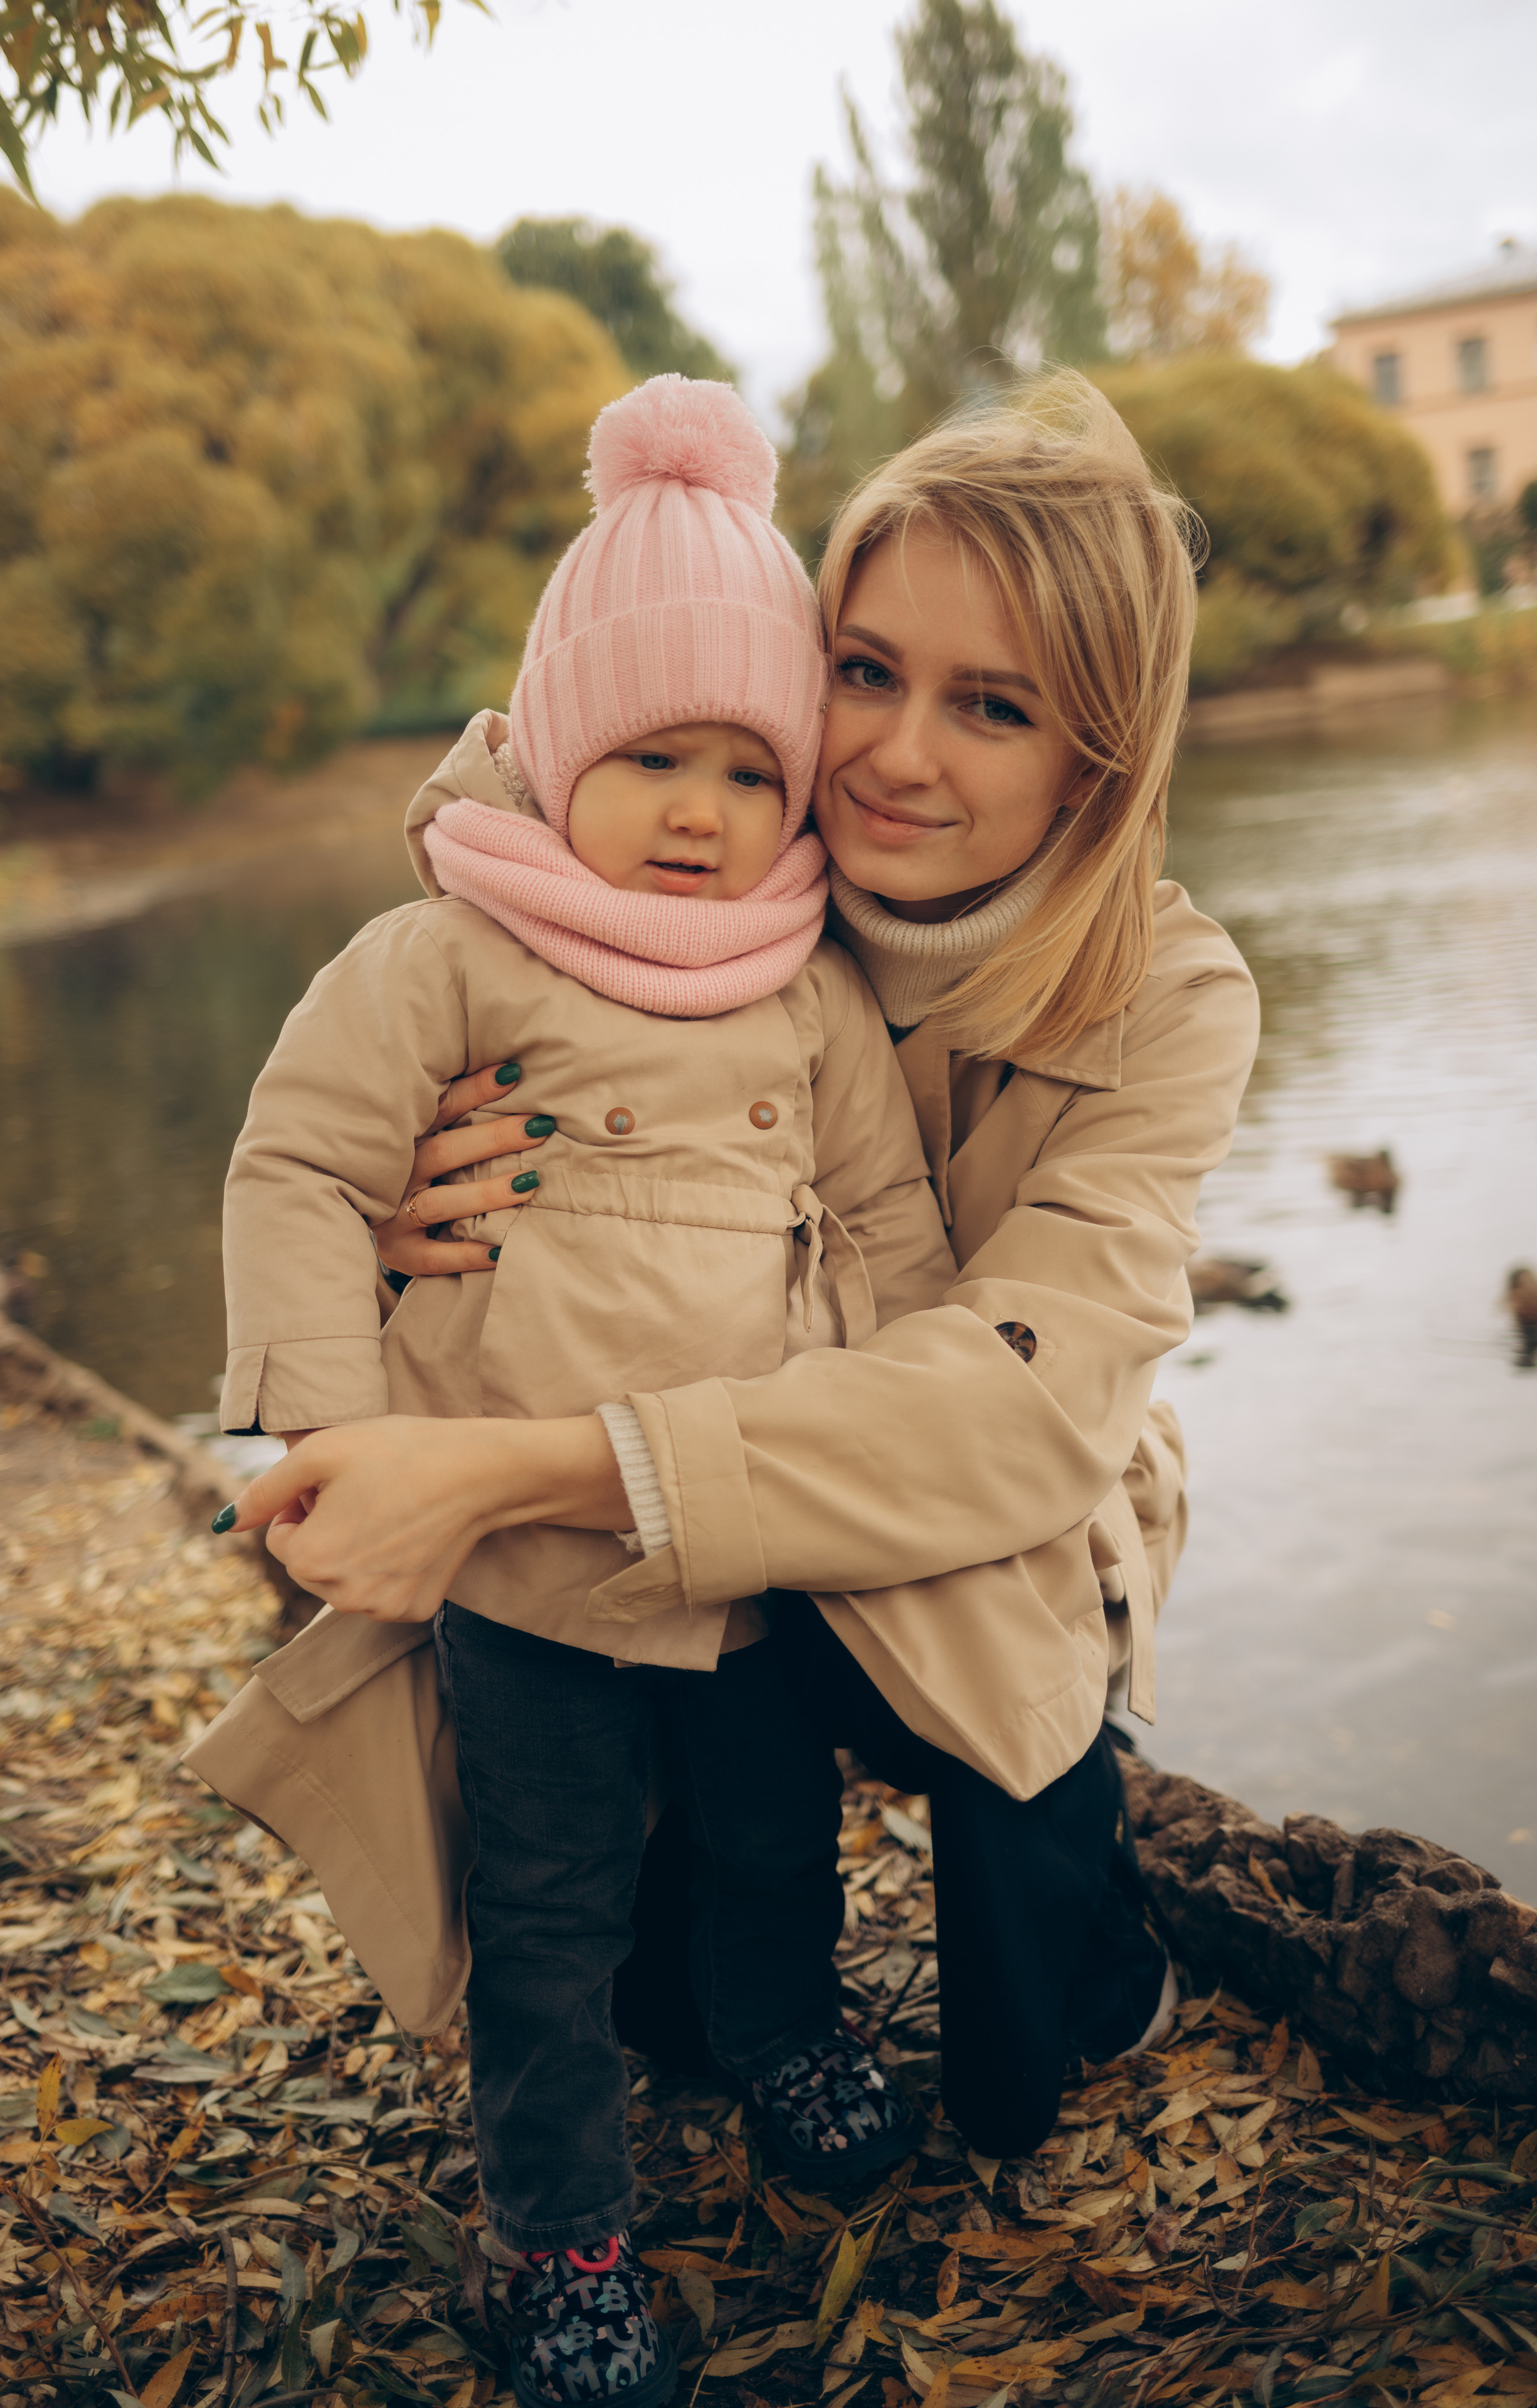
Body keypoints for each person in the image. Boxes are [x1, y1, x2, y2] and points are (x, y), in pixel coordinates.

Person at [198, 368, 1258, 2235]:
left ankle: (1073, 1932)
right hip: (626, 1527)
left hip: (977, 1493)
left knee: (1022, 1992)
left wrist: (514, 1464)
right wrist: (388, 1262)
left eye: (992, 706)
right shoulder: (700, 880)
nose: (892, 758)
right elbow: (395, 1054)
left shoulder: (1170, 998)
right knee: (622, 1954)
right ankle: (631, 2129)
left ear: (1096, 755)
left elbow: (1005, 1397)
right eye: (862, 671)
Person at [200, 376, 959, 2408]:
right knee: (543, 1908)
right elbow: (301, 1165)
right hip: (520, 1556)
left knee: (768, 1834)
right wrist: (317, 1428)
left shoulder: (805, 981)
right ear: (553, 745)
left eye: (743, 767)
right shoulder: (451, 952)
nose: (700, 813)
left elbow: (880, 1218)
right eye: (650, 758)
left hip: (747, 1527)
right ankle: (568, 2233)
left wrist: (898, 1424)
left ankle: (783, 2027)